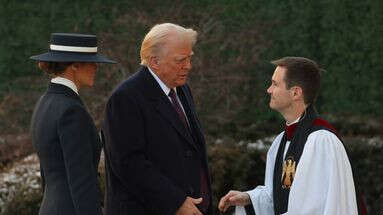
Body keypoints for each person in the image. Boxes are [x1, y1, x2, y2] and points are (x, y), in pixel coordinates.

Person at [218, 57, 358, 215]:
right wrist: (249, 198)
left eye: (275, 84)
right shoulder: (281, 141)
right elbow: (280, 196)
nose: (269, 90)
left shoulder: (321, 141)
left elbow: (319, 208)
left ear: (296, 93)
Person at [102, 23, 212, 215]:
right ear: (154, 62)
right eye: (180, 60)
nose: (188, 66)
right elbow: (128, 164)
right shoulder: (126, 98)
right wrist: (176, 202)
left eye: (189, 58)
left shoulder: (182, 89)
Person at [30, 33, 116, 215]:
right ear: (75, 65)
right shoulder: (71, 111)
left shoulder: (45, 102)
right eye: (92, 62)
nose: (96, 67)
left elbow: (48, 173)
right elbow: (82, 181)